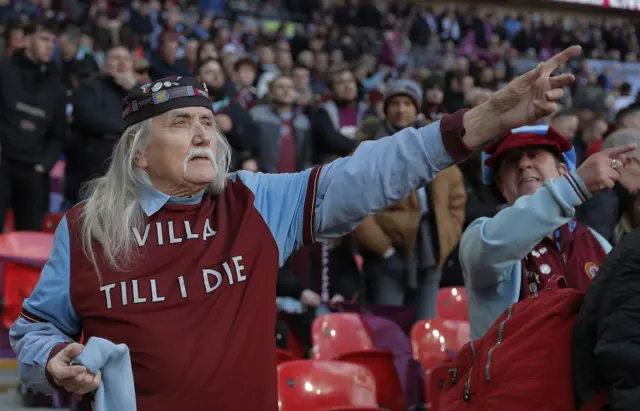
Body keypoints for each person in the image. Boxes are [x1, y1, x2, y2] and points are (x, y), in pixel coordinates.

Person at [11, 46, 582, 410]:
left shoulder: (253, 202)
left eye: (208, 122)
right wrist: (54, 359)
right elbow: (33, 330)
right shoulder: (87, 228)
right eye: (180, 123)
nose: (203, 134)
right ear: (138, 153)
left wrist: (480, 122)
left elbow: (372, 171)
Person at [459, 123, 635, 340]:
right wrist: (574, 187)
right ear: (501, 186)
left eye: (534, 155)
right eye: (512, 162)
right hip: (516, 374)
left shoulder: (597, 242)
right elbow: (497, 243)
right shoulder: (482, 235)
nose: (524, 164)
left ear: (563, 171)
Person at [0, 19, 67, 232]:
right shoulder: (4, 70)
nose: (50, 46)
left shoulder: (56, 85)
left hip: (34, 170)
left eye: (53, 41)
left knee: (29, 238)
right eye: (44, 39)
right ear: (27, 40)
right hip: (3, 163)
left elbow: (58, 133)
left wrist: (44, 165)